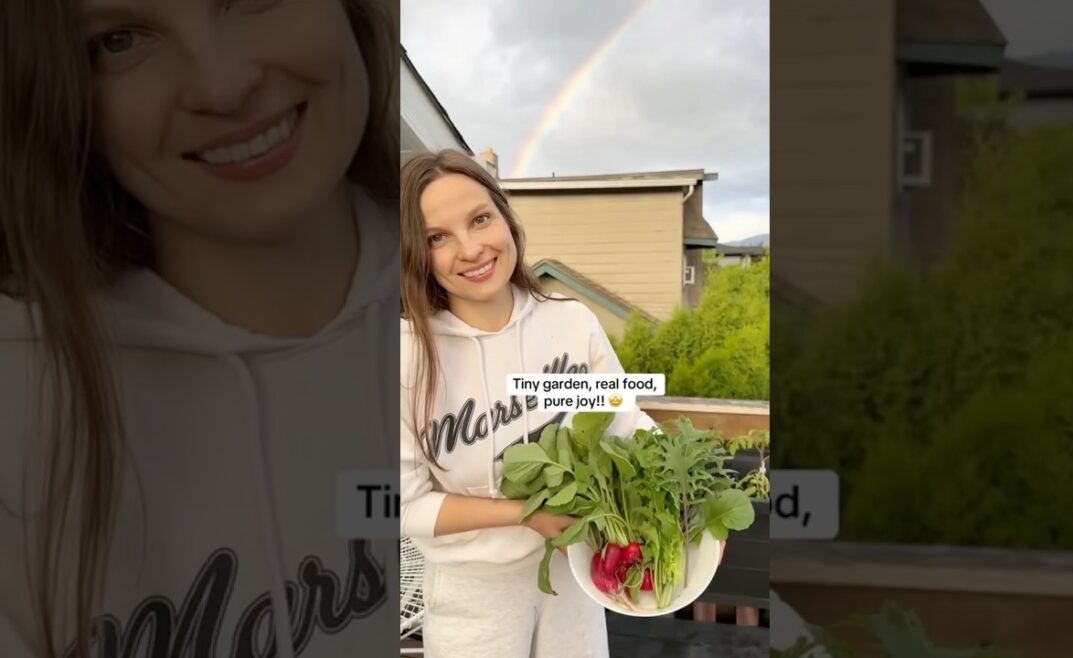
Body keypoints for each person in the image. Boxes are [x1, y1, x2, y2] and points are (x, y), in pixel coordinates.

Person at [0, 1, 397, 657]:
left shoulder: (529, 330)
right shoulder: (22, 404)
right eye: (120, 40)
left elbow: (600, 399)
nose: (222, 85)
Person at [398, 149, 660, 658]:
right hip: (472, 593)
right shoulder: (405, 354)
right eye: (437, 238)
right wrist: (524, 513)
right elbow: (406, 506)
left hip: (572, 571)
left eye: (480, 219)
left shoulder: (568, 323)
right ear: (416, 253)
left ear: (505, 216)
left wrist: (691, 496)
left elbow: (624, 423)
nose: (471, 248)